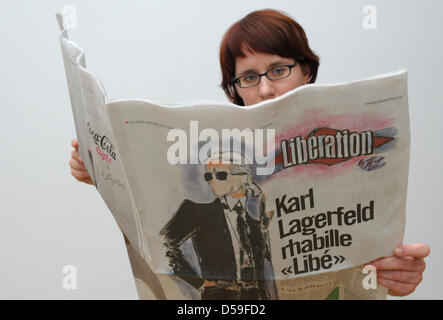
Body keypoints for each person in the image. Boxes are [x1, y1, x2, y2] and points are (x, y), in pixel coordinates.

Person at [69, 9, 430, 298]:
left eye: (278, 69)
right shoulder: (200, 203)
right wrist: (101, 173)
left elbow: (368, 263)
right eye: (248, 77)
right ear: (235, 90)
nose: (267, 89)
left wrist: (396, 276)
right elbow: (158, 241)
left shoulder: (343, 156)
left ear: (306, 71)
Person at [159, 152, 276, 300]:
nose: (212, 181)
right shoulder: (196, 211)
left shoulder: (253, 221)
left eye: (220, 175)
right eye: (209, 176)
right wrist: (199, 282)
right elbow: (164, 244)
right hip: (220, 295)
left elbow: (262, 261)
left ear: (243, 176)